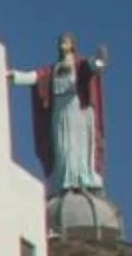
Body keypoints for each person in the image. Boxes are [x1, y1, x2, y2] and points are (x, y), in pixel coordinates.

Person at [12, 33, 109, 195]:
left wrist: (100, 58)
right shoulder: (53, 70)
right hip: (60, 111)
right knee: (63, 147)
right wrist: (15, 76)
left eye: (66, 41)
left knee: (79, 146)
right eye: (61, 41)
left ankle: (82, 179)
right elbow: (35, 77)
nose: (62, 43)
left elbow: (94, 66)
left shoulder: (80, 64)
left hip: (77, 110)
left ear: (72, 45)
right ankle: (65, 181)